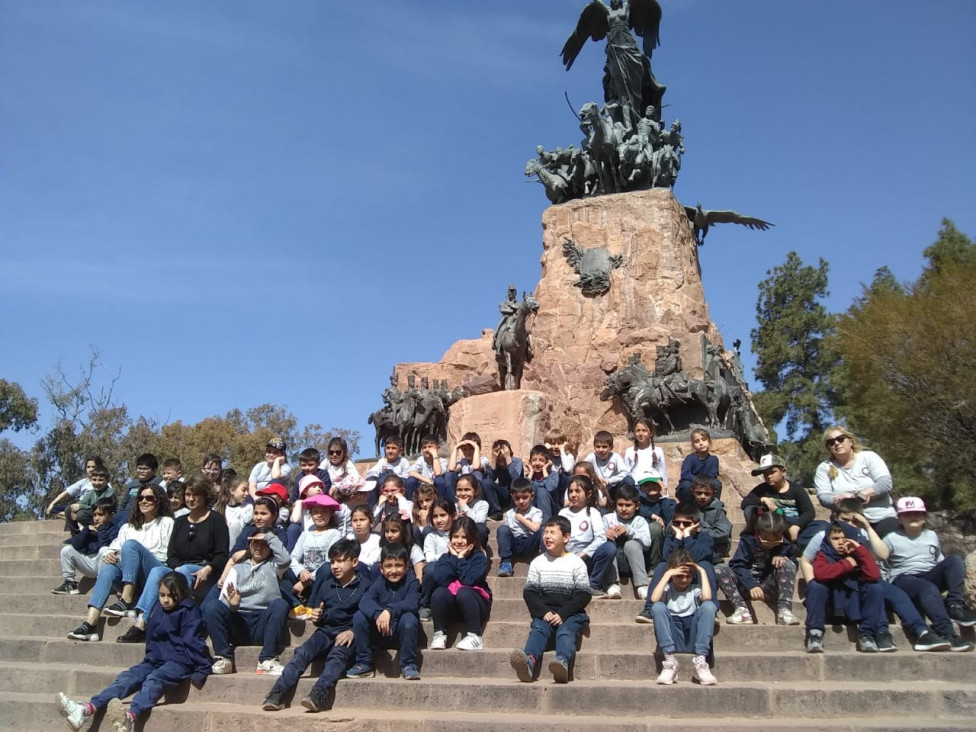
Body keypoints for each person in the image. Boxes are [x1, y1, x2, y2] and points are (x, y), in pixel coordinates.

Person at [56, 572, 212, 732]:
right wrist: (150, 656)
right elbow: (152, 636)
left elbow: (193, 641)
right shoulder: (158, 608)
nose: (165, 600)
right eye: (162, 595)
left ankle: (129, 717)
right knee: (129, 677)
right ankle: (86, 710)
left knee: (154, 679)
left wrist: (203, 667)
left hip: (179, 662)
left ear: (182, 594)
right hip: (155, 658)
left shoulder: (189, 610)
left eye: (172, 596)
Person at [798, 498, 950, 653]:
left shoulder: (863, 535)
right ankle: (879, 631)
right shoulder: (824, 536)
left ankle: (920, 631)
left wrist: (868, 528)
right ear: (834, 517)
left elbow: (882, 555)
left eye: (855, 521)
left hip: (861, 578)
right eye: (845, 520)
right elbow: (806, 560)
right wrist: (812, 586)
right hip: (835, 581)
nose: (850, 525)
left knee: (892, 593)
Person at [117, 475, 230, 644]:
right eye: (188, 495)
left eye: (195, 495)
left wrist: (209, 568)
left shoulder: (216, 520)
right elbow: (172, 555)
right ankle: (141, 623)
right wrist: (176, 568)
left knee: (183, 572)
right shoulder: (180, 521)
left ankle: (173, 624)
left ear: (205, 495)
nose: (191, 499)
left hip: (205, 574)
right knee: (158, 571)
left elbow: (222, 555)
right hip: (181, 570)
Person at [261, 539, 370, 713]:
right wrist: (318, 617)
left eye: (340, 561)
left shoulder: (366, 586)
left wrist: (352, 632)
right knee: (302, 652)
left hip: (347, 635)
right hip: (326, 631)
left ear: (354, 562)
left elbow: (367, 618)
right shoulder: (327, 585)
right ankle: (277, 692)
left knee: (336, 656)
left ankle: (319, 694)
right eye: (333, 561)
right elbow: (321, 617)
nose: (335, 566)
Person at [67, 484, 174, 643]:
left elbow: (167, 555)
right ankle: (91, 623)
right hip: (129, 575)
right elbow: (113, 548)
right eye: (140, 498)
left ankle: (126, 600)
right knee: (109, 567)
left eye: (149, 498)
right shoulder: (127, 527)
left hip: (154, 573)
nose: (144, 501)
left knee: (131, 545)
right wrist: (109, 554)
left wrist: (136, 553)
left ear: (159, 501)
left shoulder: (167, 522)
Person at [884, 496, 976, 651]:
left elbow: (939, 559)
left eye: (917, 513)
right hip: (904, 579)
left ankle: (955, 605)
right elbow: (882, 565)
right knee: (927, 588)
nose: (913, 517)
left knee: (954, 560)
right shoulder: (890, 538)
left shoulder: (931, 536)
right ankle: (947, 632)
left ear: (924, 517)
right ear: (900, 519)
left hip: (928, 575)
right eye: (907, 514)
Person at [509, 516, 592, 683]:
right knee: (539, 629)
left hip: (570, 614)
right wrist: (543, 611)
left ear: (566, 537)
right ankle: (528, 663)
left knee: (565, 632)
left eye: (552, 532)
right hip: (545, 613)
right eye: (545, 532)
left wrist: (563, 613)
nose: (547, 536)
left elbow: (583, 594)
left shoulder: (576, 563)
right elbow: (530, 593)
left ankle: (562, 663)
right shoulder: (538, 562)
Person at [204, 530, 292, 675]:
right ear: (249, 545)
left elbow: (285, 560)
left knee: (280, 604)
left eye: (264, 544)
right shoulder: (237, 569)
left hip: (262, 622)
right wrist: (233, 606)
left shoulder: (274, 566)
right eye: (255, 543)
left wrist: (269, 537)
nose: (259, 547)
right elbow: (224, 602)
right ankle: (224, 659)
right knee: (212, 606)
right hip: (239, 622)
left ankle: (267, 659)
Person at [805, 522, 886, 653]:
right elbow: (820, 574)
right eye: (835, 539)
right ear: (828, 539)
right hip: (832, 605)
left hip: (854, 604)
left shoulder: (860, 554)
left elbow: (874, 575)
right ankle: (815, 633)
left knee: (875, 587)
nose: (840, 543)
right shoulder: (824, 553)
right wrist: (847, 564)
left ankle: (867, 634)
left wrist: (859, 550)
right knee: (815, 586)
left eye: (844, 538)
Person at [346, 543, 422, 680]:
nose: (393, 570)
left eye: (398, 565)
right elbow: (365, 601)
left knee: (409, 619)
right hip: (380, 632)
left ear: (406, 566)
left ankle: (408, 663)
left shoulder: (411, 581)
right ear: (381, 568)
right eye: (388, 566)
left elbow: (412, 603)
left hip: (401, 633)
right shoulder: (379, 582)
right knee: (359, 616)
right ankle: (364, 663)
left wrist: (389, 611)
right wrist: (378, 614)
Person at [715, 511, 798, 626]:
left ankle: (784, 610)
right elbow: (737, 564)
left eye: (775, 540)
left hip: (769, 587)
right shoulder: (748, 541)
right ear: (757, 533)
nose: (770, 544)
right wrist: (751, 585)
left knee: (788, 564)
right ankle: (742, 610)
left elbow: (794, 566)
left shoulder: (786, 545)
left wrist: (784, 558)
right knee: (720, 568)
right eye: (766, 540)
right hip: (747, 587)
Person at [814, 426, 898, 536]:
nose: (836, 443)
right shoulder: (824, 468)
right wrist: (837, 500)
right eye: (831, 442)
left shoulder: (868, 457)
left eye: (840, 438)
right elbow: (823, 497)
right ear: (828, 447)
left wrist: (855, 497)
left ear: (850, 441)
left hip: (881, 516)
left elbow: (885, 483)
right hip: (848, 522)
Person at [650, 549, 718, 685]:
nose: (684, 579)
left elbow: (707, 597)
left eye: (688, 576)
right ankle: (670, 663)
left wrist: (702, 572)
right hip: (673, 639)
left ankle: (700, 662)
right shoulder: (667, 589)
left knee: (709, 606)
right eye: (679, 576)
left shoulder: (694, 589)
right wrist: (667, 573)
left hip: (693, 638)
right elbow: (654, 598)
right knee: (657, 607)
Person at [428, 517, 492, 651]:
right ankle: (440, 633)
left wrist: (461, 558)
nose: (459, 541)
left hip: (475, 607)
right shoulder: (445, 558)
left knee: (464, 592)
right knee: (439, 593)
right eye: (455, 536)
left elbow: (469, 581)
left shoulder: (479, 558)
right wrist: (453, 558)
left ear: (472, 541)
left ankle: (475, 636)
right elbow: (440, 579)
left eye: (464, 537)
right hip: (453, 608)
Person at [559, 475, 615, 597]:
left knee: (609, 548)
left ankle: (593, 585)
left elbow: (600, 538)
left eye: (578, 491)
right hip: (566, 557)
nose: (573, 495)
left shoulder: (593, 513)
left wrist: (582, 554)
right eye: (571, 491)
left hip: (586, 557)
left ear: (589, 494)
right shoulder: (563, 513)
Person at [743, 454, 817, 546]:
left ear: (784, 472)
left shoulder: (796, 489)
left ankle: (793, 546)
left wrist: (797, 526)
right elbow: (745, 503)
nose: (768, 476)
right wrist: (762, 499)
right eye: (765, 474)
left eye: (772, 472)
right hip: (774, 525)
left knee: (821, 526)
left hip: (794, 523)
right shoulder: (762, 489)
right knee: (749, 509)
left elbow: (809, 511)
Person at [53, 496, 119, 595]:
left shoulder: (115, 530)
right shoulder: (90, 528)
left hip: (105, 564)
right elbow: (76, 545)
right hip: (89, 563)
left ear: (111, 515)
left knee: (104, 550)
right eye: (95, 515)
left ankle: (105, 584)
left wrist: (101, 529)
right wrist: (86, 530)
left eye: (101, 515)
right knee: (67, 549)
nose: (97, 518)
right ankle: (70, 583)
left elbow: (105, 545)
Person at [289, 493, 344, 608]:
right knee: (282, 568)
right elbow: (293, 557)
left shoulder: (334, 534)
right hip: (303, 575)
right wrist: (301, 572)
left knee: (327, 567)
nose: (319, 515)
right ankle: (296, 603)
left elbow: (330, 560)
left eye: (324, 512)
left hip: (319, 579)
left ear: (331, 514)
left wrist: (307, 581)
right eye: (315, 512)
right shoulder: (306, 534)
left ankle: (312, 604)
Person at [602, 483, 652, 599]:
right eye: (620, 505)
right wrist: (605, 535)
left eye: (628, 505)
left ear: (637, 506)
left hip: (633, 564)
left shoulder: (640, 521)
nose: (624, 509)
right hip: (614, 565)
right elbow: (597, 541)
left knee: (632, 544)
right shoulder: (608, 519)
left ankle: (642, 586)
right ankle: (613, 584)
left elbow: (647, 543)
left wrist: (629, 531)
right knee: (608, 546)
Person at [496, 478, 543, 577]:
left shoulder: (536, 512)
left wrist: (521, 518)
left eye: (525, 497)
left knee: (543, 530)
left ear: (532, 496)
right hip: (514, 544)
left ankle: (545, 561)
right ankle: (505, 563)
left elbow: (535, 528)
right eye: (517, 498)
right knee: (502, 529)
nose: (521, 501)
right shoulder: (509, 513)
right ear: (512, 497)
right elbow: (506, 534)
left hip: (529, 543)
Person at [46, 456, 107, 531]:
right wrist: (52, 503)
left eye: (93, 467)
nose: (91, 469)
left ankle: (71, 520)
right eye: (88, 467)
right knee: (54, 509)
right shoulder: (84, 482)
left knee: (76, 514)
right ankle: (69, 516)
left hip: (88, 509)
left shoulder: (103, 483)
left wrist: (81, 507)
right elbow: (67, 491)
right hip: (78, 506)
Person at [419, 498, 457, 619]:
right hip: (439, 570)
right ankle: (426, 604)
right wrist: (447, 552)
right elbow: (430, 559)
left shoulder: (459, 534)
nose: (439, 520)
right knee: (430, 569)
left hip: (457, 568)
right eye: (435, 516)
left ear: (453, 515)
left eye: (443, 515)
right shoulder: (431, 537)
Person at [692, 476, 732, 565]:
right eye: (699, 493)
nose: (702, 497)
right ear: (692, 492)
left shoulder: (718, 511)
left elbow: (723, 534)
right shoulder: (689, 508)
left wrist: (700, 531)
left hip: (716, 548)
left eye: (707, 494)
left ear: (713, 493)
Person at [624, 418, 667, 497]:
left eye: (644, 430)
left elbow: (662, 471)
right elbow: (626, 472)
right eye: (638, 430)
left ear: (651, 433)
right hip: (637, 486)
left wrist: (665, 493)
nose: (640, 433)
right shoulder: (629, 451)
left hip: (653, 484)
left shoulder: (658, 451)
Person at [676, 428, 721, 503]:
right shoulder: (690, 458)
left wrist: (704, 482)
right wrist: (698, 481)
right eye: (697, 441)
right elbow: (685, 474)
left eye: (704, 440)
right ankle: (687, 507)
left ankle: (714, 506)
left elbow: (713, 474)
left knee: (717, 484)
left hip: (707, 483)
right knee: (686, 485)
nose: (701, 443)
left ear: (709, 442)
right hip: (692, 483)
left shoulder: (713, 459)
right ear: (693, 445)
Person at [365, 435, 411, 501]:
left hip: (397, 485)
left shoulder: (403, 461)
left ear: (400, 450)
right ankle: (372, 506)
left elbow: (406, 478)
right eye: (388, 448)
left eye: (393, 448)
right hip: (383, 485)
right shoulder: (382, 461)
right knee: (372, 479)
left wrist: (394, 476)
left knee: (390, 472)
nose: (390, 451)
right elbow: (372, 472)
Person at [582, 430, 630, 495]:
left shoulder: (616, 457)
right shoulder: (592, 457)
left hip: (613, 487)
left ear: (611, 447)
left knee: (629, 480)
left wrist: (609, 481)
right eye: (598, 447)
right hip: (597, 486)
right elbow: (581, 468)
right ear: (594, 447)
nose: (601, 450)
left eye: (604, 447)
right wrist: (595, 479)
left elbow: (625, 472)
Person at [486, 439, 523, 519]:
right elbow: (490, 480)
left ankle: (513, 510)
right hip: (503, 492)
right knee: (486, 482)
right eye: (500, 461)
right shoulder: (496, 463)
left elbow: (516, 477)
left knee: (515, 482)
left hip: (516, 493)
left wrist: (508, 459)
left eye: (504, 460)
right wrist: (494, 460)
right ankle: (496, 512)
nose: (502, 463)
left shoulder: (517, 462)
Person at [213, 473, 253, 547]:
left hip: (240, 547)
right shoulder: (219, 508)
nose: (247, 493)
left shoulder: (249, 508)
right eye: (244, 490)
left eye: (248, 490)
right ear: (232, 491)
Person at [380, 515, 425, 580]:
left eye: (394, 531)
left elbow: (419, 576)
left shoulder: (413, 550)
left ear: (403, 532)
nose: (389, 535)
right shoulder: (384, 549)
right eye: (387, 531)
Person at [321, 436, 365, 501]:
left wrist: (336, 487)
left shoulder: (347, 463)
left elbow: (355, 476)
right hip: (327, 491)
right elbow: (318, 474)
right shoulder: (326, 462)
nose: (334, 455)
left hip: (342, 492)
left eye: (338, 452)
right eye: (331, 452)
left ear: (344, 453)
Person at [406, 435, 448, 500]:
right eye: (424, 447)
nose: (427, 449)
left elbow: (438, 473)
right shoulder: (421, 459)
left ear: (438, 448)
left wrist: (434, 456)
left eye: (430, 447)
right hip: (424, 486)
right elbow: (411, 472)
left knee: (439, 480)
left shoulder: (443, 461)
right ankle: (411, 503)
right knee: (410, 480)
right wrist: (428, 481)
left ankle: (440, 504)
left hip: (436, 488)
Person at [454, 473, 489, 548]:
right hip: (458, 539)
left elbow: (479, 521)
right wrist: (457, 518)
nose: (463, 493)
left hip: (475, 538)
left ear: (476, 491)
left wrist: (464, 506)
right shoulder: (454, 506)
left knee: (481, 528)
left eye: (467, 490)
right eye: (459, 490)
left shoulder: (482, 504)